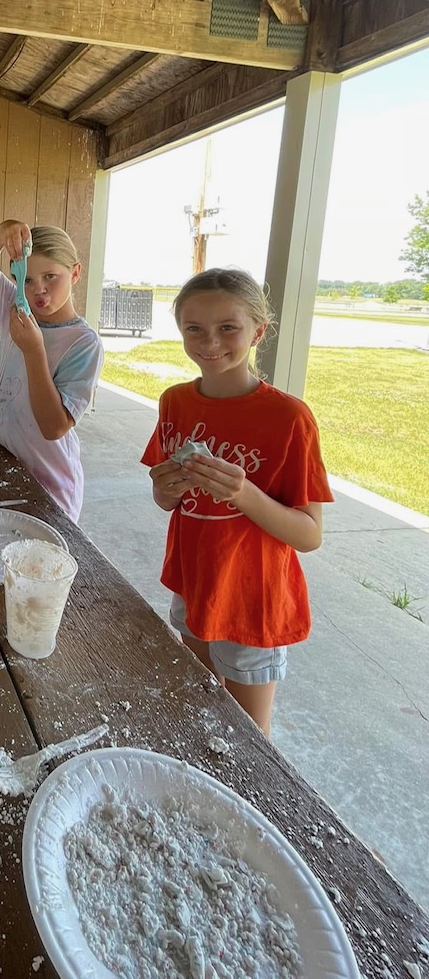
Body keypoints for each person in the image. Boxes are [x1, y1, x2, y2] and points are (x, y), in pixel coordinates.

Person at [141, 268, 332, 737]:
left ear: (258, 331)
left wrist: (243, 493)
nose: (210, 342)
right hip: (192, 582)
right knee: (197, 706)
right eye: (194, 328)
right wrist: (165, 489)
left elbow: (309, 534)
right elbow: (166, 499)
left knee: (248, 735)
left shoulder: (288, 418)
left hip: (253, 599)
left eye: (228, 328)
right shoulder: (175, 402)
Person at [0, 220, 103, 521]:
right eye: (26, 279)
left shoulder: (83, 343)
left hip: (51, 488)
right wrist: (1, 232)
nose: (38, 289)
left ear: (76, 273)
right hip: (8, 467)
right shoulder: (14, 310)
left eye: (50, 276)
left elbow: (54, 427)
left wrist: (34, 350)